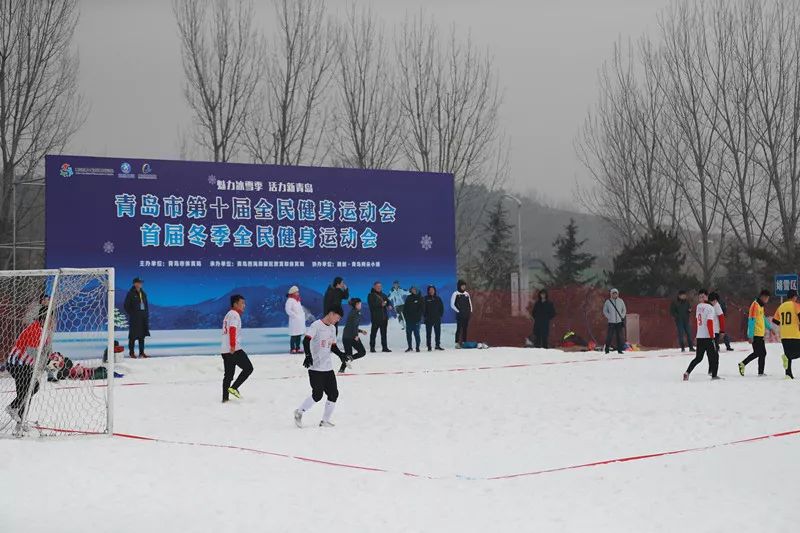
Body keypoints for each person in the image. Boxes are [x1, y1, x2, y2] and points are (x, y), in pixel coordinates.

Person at [294, 307, 346, 427]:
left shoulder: (333, 328)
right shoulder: (316, 325)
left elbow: (332, 346)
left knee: (334, 394)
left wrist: (341, 355)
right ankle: (299, 412)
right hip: (315, 368)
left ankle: (324, 421)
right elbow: (306, 341)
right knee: (317, 395)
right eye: (337, 318)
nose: (337, 321)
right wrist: (308, 356)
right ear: (331, 313)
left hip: (328, 368)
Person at [5, 306, 48, 427]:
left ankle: (20, 418)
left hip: (24, 364)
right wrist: (47, 363)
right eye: (51, 318)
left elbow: (39, 351)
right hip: (17, 364)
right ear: (45, 319)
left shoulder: (41, 329)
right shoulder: (36, 330)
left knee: (31, 388)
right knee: (28, 389)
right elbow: (32, 352)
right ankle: (15, 411)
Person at [221, 295, 253, 402]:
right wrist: (233, 346)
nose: (244, 305)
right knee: (249, 368)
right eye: (242, 303)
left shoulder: (228, 314)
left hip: (225, 349)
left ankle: (225, 399)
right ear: (235, 304)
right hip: (234, 349)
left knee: (228, 375)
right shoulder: (234, 315)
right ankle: (234, 388)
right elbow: (232, 330)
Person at [683, 289, 720, 380]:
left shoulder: (698, 307)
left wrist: (696, 335)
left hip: (700, 337)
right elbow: (709, 322)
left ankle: (687, 372)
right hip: (708, 337)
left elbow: (698, 322)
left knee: (698, 358)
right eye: (700, 297)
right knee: (714, 356)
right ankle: (714, 375)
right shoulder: (710, 308)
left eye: (702, 296)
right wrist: (712, 336)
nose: (701, 298)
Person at [739, 290, 772, 377]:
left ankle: (760, 372)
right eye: (767, 298)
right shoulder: (754, 305)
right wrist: (750, 335)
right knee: (759, 353)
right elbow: (751, 320)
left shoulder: (761, 306)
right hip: (755, 334)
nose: (767, 300)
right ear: (763, 297)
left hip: (760, 334)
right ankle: (743, 364)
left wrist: (770, 328)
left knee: (761, 353)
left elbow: (763, 318)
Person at [772, 290, 800, 380]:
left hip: (784, 335)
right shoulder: (796, 305)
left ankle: (788, 374)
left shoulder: (781, 306)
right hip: (795, 334)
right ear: (794, 297)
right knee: (793, 354)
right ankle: (788, 358)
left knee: (788, 354)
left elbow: (775, 321)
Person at [123, 277, 150, 359]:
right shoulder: (130, 293)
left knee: (142, 336)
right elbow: (126, 306)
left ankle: (142, 353)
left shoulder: (143, 293)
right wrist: (132, 314)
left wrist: (146, 315)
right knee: (133, 336)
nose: (140, 284)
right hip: (135, 318)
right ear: (134, 283)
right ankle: (132, 353)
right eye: (138, 283)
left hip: (143, 318)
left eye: (141, 283)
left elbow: (146, 305)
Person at [339, 298, 368, 373]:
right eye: (360, 304)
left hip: (346, 337)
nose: (361, 305)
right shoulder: (355, 313)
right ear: (356, 304)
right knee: (362, 352)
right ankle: (343, 367)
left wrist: (361, 331)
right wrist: (356, 335)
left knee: (349, 355)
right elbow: (353, 326)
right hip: (350, 337)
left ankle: (341, 370)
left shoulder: (354, 312)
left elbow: (352, 326)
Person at [368, 281, 391, 353]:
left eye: (380, 286)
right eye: (377, 287)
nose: (379, 288)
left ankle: (385, 347)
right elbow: (371, 305)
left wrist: (389, 305)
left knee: (384, 334)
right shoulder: (371, 295)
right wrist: (380, 304)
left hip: (384, 318)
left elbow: (388, 301)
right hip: (376, 318)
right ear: (374, 287)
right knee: (373, 333)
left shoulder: (384, 295)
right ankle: (372, 347)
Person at [603, 288, 626, 354]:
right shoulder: (608, 301)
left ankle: (619, 350)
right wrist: (609, 317)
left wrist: (622, 316)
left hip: (619, 322)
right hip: (611, 322)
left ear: (617, 294)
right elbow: (605, 311)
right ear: (611, 294)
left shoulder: (621, 301)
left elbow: (624, 309)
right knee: (609, 336)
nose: (615, 295)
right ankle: (607, 349)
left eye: (616, 293)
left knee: (619, 336)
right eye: (613, 293)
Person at [451, 280, 473, 348]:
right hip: (460, 315)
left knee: (465, 329)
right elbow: (452, 304)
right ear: (459, 286)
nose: (463, 287)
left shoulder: (467, 294)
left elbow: (470, 303)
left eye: (464, 286)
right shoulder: (455, 294)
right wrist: (458, 311)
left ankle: (464, 342)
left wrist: (470, 311)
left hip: (466, 314)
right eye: (462, 286)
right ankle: (457, 343)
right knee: (459, 329)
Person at [403, 287, 425, 352]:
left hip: (416, 320)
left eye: (415, 290)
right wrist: (406, 317)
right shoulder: (408, 298)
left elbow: (422, 309)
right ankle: (409, 347)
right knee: (408, 334)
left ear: (417, 290)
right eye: (412, 290)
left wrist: (418, 317)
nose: (413, 291)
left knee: (417, 334)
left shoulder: (420, 298)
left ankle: (417, 347)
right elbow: (405, 309)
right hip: (409, 320)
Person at [285, 286, 305, 354]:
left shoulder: (297, 300)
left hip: (299, 321)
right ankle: (292, 348)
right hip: (294, 321)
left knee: (298, 335)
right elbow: (288, 310)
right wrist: (295, 316)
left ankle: (298, 348)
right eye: (296, 292)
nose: (298, 293)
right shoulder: (290, 300)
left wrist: (302, 316)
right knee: (294, 335)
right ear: (293, 292)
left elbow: (299, 310)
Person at [424, 285, 445, 351]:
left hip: (437, 319)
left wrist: (440, 315)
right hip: (428, 319)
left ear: (435, 290)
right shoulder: (425, 298)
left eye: (433, 289)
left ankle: (437, 345)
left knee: (438, 333)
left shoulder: (438, 298)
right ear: (428, 291)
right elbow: (423, 308)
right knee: (428, 333)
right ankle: (429, 346)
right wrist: (425, 316)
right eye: (430, 289)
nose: (431, 291)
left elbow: (441, 308)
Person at [708, 292, 727, 358]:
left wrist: (722, 330)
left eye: (713, 301)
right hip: (711, 330)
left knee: (714, 346)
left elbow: (721, 319)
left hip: (716, 330)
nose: (712, 302)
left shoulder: (717, 306)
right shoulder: (711, 306)